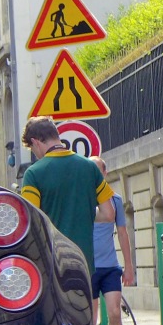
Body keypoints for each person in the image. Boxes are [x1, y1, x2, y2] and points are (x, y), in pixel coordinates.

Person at [19, 116, 115, 277]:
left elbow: (32, 221)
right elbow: (108, 214)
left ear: (35, 142)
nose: (35, 154)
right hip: (83, 261)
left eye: (32, 149)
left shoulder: (34, 173)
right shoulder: (90, 167)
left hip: (50, 262)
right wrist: (83, 213)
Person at [91, 156, 136, 325]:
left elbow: (122, 233)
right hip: (88, 266)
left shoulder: (115, 200)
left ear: (105, 173)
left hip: (109, 266)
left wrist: (129, 267)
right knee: (91, 318)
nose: (95, 177)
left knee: (115, 313)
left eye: (98, 172)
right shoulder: (82, 199)